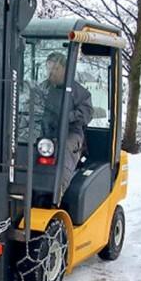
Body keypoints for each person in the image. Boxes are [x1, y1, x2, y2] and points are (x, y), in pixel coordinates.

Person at [40, 52, 93, 199]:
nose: (51, 72)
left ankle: (57, 193)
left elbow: (87, 113)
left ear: (65, 69)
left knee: (63, 150)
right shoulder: (43, 88)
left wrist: (67, 117)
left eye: (55, 69)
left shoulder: (78, 91)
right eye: (49, 68)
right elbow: (31, 105)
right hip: (46, 132)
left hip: (71, 133)